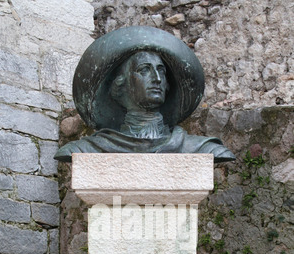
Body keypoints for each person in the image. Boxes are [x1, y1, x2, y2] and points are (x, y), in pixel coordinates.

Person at [54, 26, 235, 163]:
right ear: (121, 84)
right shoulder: (85, 150)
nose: (157, 78)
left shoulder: (202, 149)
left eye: (161, 71)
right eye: (144, 70)